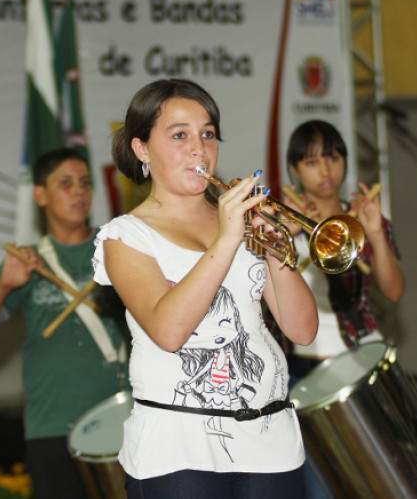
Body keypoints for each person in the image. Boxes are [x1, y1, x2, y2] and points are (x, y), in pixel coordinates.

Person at [93, 78, 318, 498]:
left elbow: (302, 330)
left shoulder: (239, 223)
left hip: (271, 443)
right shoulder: (124, 236)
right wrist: (228, 238)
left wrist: (274, 248)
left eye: (208, 134)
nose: (199, 149)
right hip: (178, 451)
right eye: (179, 135)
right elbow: (169, 330)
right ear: (142, 149)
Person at [0, 147, 127, 499]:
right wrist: (4, 284)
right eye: (65, 183)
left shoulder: (118, 247)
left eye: (84, 183)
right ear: (40, 194)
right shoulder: (27, 261)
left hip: (125, 416)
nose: (79, 192)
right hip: (53, 426)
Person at [282, 119, 405, 372]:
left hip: (358, 346)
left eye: (333, 159)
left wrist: (376, 234)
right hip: (296, 356)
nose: (325, 171)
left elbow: (394, 292)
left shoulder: (363, 218)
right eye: (312, 162)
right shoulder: (280, 222)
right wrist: (281, 234)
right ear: (295, 169)